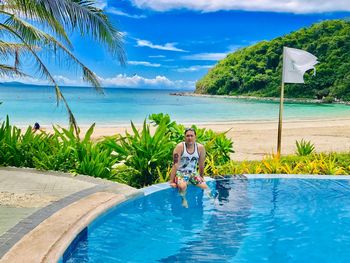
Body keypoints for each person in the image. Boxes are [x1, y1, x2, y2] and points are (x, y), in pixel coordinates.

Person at [170, 127, 208, 208]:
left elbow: (201, 164)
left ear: (195, 137)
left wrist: (201, 177)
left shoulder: (200, 148)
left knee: (204, 186)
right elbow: (175, 164)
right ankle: (183, 199)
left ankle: (200, 202)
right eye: (187, 136)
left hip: (193, 173)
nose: (189, 138)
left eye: (191, 136)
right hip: (180, 173)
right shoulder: (180, 147)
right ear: (184, 137)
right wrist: (171, 181)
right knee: (182, 186)